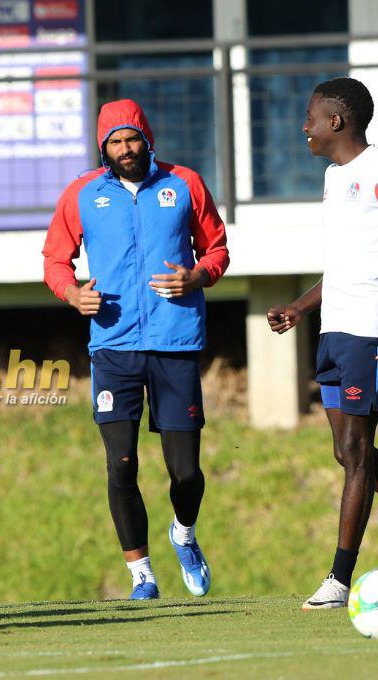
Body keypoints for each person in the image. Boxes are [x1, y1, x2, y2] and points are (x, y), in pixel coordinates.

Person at [42, 99, 229, 600]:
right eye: (115, 142)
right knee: (121, 465)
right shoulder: (82, 193)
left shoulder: (183, 183)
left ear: (148, 139)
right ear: (103, 147)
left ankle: (184, 534)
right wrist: (72, 293)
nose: (126, 149)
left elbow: (217, 249)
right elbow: (55, 260)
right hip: (113, 345)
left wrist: (197, 275)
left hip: (175, 341)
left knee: (185, 471)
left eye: (133, 139)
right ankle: (141, 574)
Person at [267, 77, 378, 610]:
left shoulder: (375, 171)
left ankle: (338, 580)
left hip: (368, 332)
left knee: (357, 454)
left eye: (309, 117)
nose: (303, 127)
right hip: (334, 330)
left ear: (336, 121)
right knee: (344, 451)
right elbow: (342, 267)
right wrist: (298, 308)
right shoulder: (336, 179)